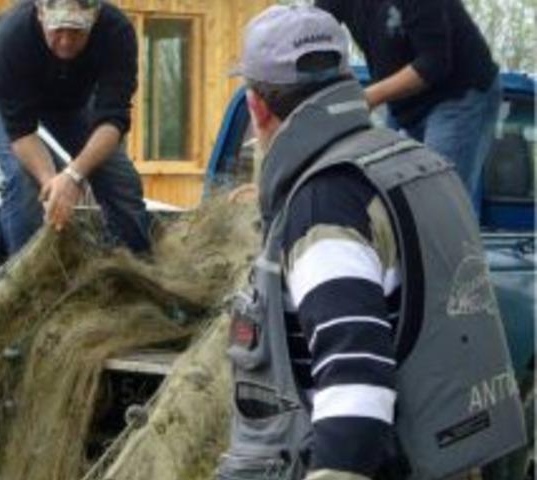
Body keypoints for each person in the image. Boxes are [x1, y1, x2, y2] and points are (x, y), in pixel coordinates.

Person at [217, 6, 525, 480]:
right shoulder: (426, 168)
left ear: (256, 107)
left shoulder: (325, 205)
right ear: (344, 76)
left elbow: (355, 376)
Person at [0, 0, 150, 255]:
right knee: (24, 179)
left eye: (76, 32)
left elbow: (113, 120)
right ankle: (27, 284)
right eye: (57, 31)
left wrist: (73, 175)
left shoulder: (116, 31)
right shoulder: (12, 36)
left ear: (94, 19)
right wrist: (52, 184)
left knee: (120, 179)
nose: (65, 42)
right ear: (41, 14)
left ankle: (138, 271)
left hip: (68, 95)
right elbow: (21, 132)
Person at [316, 0, 501, 217]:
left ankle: (447, 246)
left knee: (440, 204)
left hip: (459, 94)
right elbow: (314, 31)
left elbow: (434, 64)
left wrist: (364, 98)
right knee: (392, 196)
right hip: (405, 105)